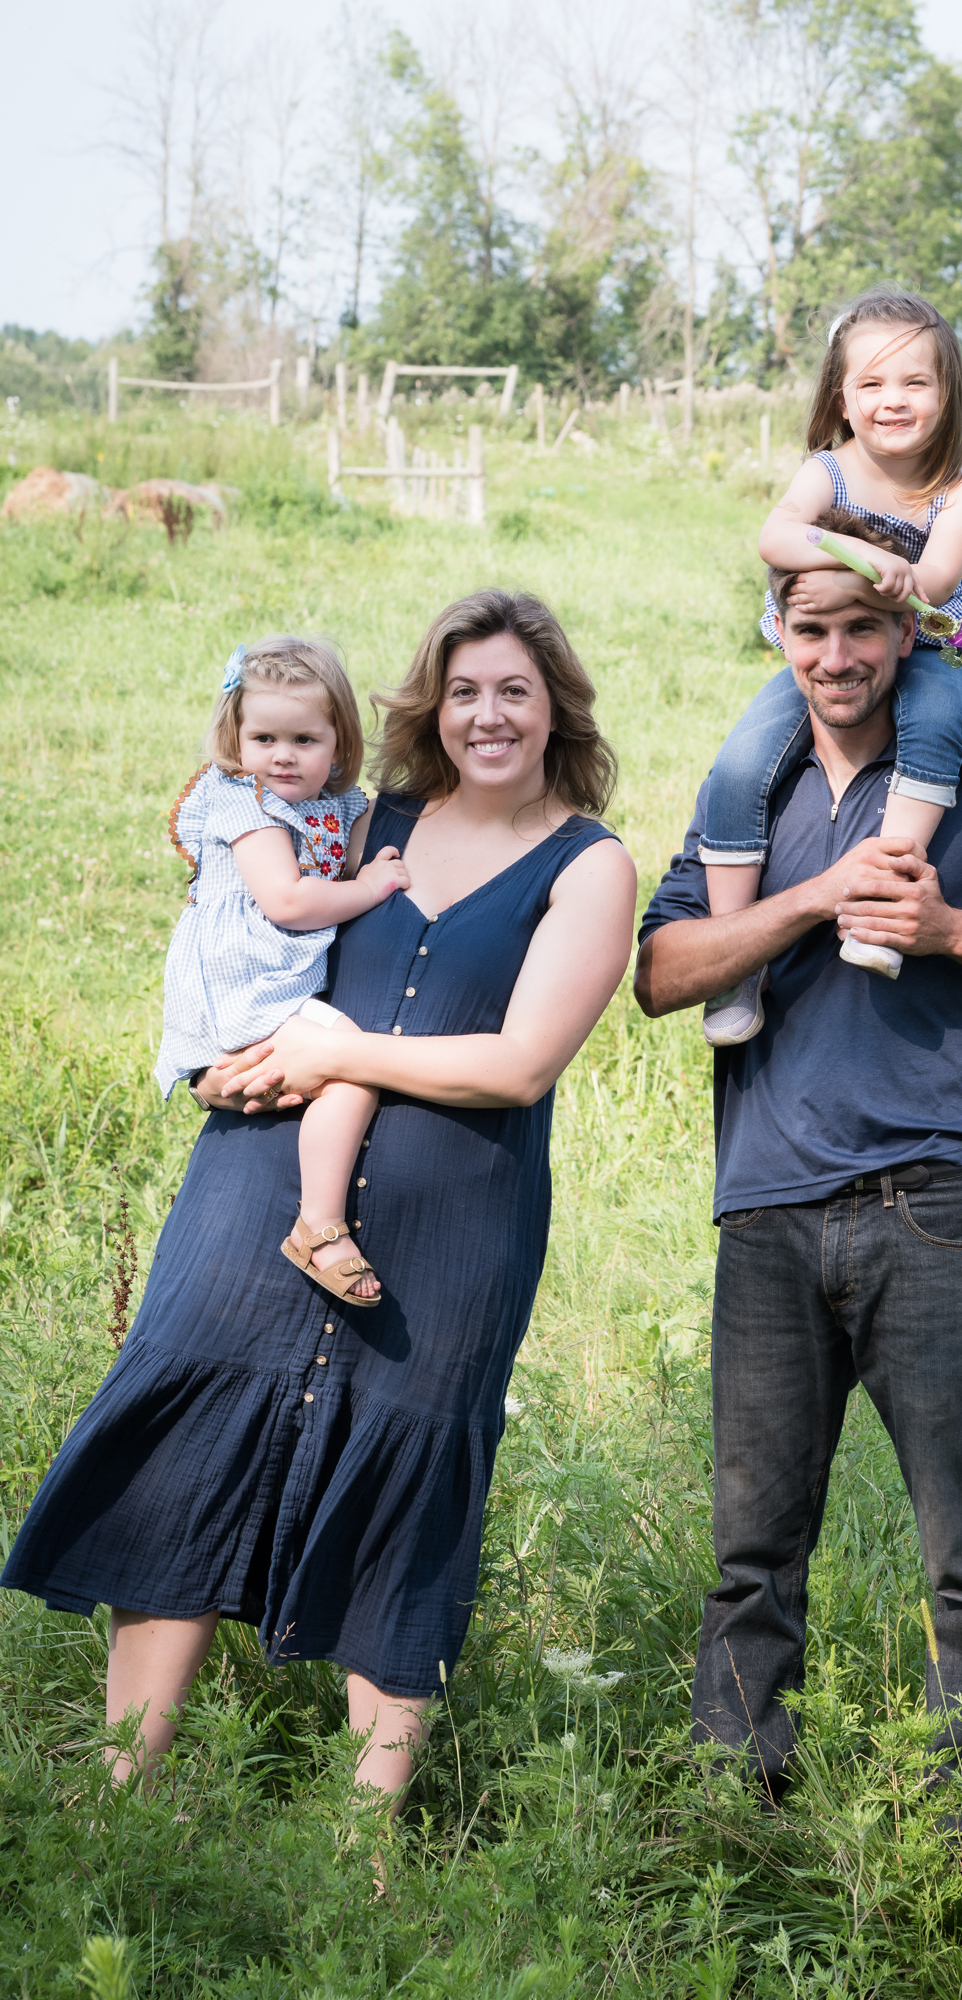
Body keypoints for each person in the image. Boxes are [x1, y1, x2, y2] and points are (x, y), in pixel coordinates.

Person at [2, 590, 637, 1813]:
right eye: (462, 691)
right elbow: (236, 908)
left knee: (406, 1472)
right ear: (426, 705)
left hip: (458, 1217)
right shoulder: (362, 821)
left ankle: (365, 1844)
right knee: (187, 1426)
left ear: (555, 702)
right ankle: (123, 1794)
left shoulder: (588, 862)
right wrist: (230, 1047)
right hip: (259, 1172)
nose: (486, 714)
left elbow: (518, 1063)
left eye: (513, 688)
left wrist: (333, 1052)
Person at [635, 527, 962, 1802]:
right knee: (752, 1553)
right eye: (812, 629)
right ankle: (734, 1810)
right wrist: (809, 901)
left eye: (864, 628)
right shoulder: (746, 791)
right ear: (778, 636)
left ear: (909, 632)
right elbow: (660, 972)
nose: (838, 654)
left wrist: (952, 926)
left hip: (936, 1212)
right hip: (766, 1215)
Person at [700, 287, 962, 1046]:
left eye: (912, 382)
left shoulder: (957, 491)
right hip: (826, 651)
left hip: (918, 644)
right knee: (740, 763)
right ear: (841, 394)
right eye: (870, 383)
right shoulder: (826, 470)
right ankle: (733, 957)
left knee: (937, 719)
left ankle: (883, 905)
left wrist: (883, 569)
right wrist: (852, 548)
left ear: (945, 392)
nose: (890, 400)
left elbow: (929, 584)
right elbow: (776, 538)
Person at [156, 635, 413, 1306]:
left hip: (273, 976)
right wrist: (372, 888)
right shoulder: (245, 800)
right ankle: (319, 1229)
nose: (283, 756)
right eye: (264, 737)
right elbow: (289, 900)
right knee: (354, 1071)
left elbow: (363, 846)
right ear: (236, 738)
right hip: (239, 981)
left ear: (338, 744)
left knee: (338, 1071)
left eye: (304, 739)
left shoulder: (338, 804)